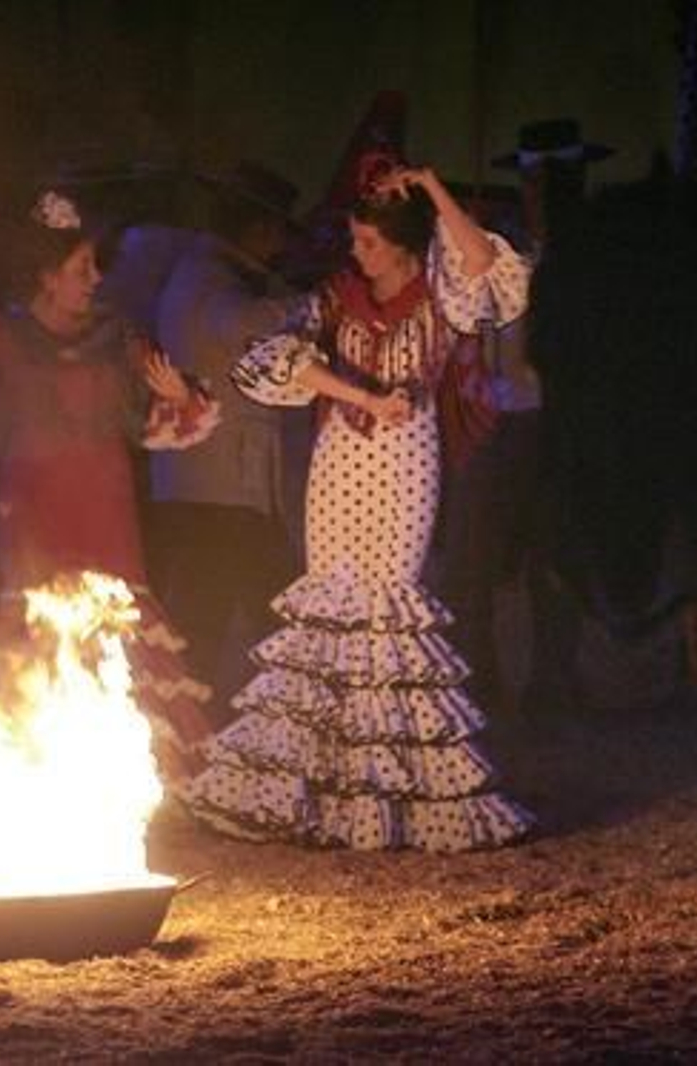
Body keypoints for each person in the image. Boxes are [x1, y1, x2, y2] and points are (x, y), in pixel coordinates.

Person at [181, 157, 536, 851]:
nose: (358, 251)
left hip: (407, 460)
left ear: (404, 246)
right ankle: (324, 791)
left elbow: (486, 266)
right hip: (342, 456)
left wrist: (431, 186)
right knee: (334, 603)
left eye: (369, 242)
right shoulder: (337, 297)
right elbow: (282, 360)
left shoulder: (440, 295)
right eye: (355, 240)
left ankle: (389, 794)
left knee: (388, 607)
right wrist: (365, 397)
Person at [0, 187, 222, 784]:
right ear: (47, 277)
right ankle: (31, 758)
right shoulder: (6, 334)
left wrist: (180, 395)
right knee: (36, 615)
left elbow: (169, 406)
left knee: (117, 612)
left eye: (95, 265)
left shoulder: (118, 338)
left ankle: (140, 770)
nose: (96, 278)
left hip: (102, 494)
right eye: (82, 268)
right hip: (33, 495)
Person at [104, 160, 308, 719]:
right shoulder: (211, 277)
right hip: (220, 488)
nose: (281, 246)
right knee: (271, 617)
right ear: (259, 229)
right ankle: (234, 730)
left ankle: (194, 731)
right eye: (278, 233)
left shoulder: (207, 269)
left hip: (213, 486)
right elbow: (237, 323)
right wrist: (314, 305)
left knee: (214, 623)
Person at [436, 118, 609, 714]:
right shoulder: (500, 251)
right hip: (499, 418)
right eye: (535, 182)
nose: (541, 194)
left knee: (556, 554)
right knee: (471, 558)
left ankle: (554, 682)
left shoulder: (594, 259)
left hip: (560, 423)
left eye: (554, 182)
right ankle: (479, 680)